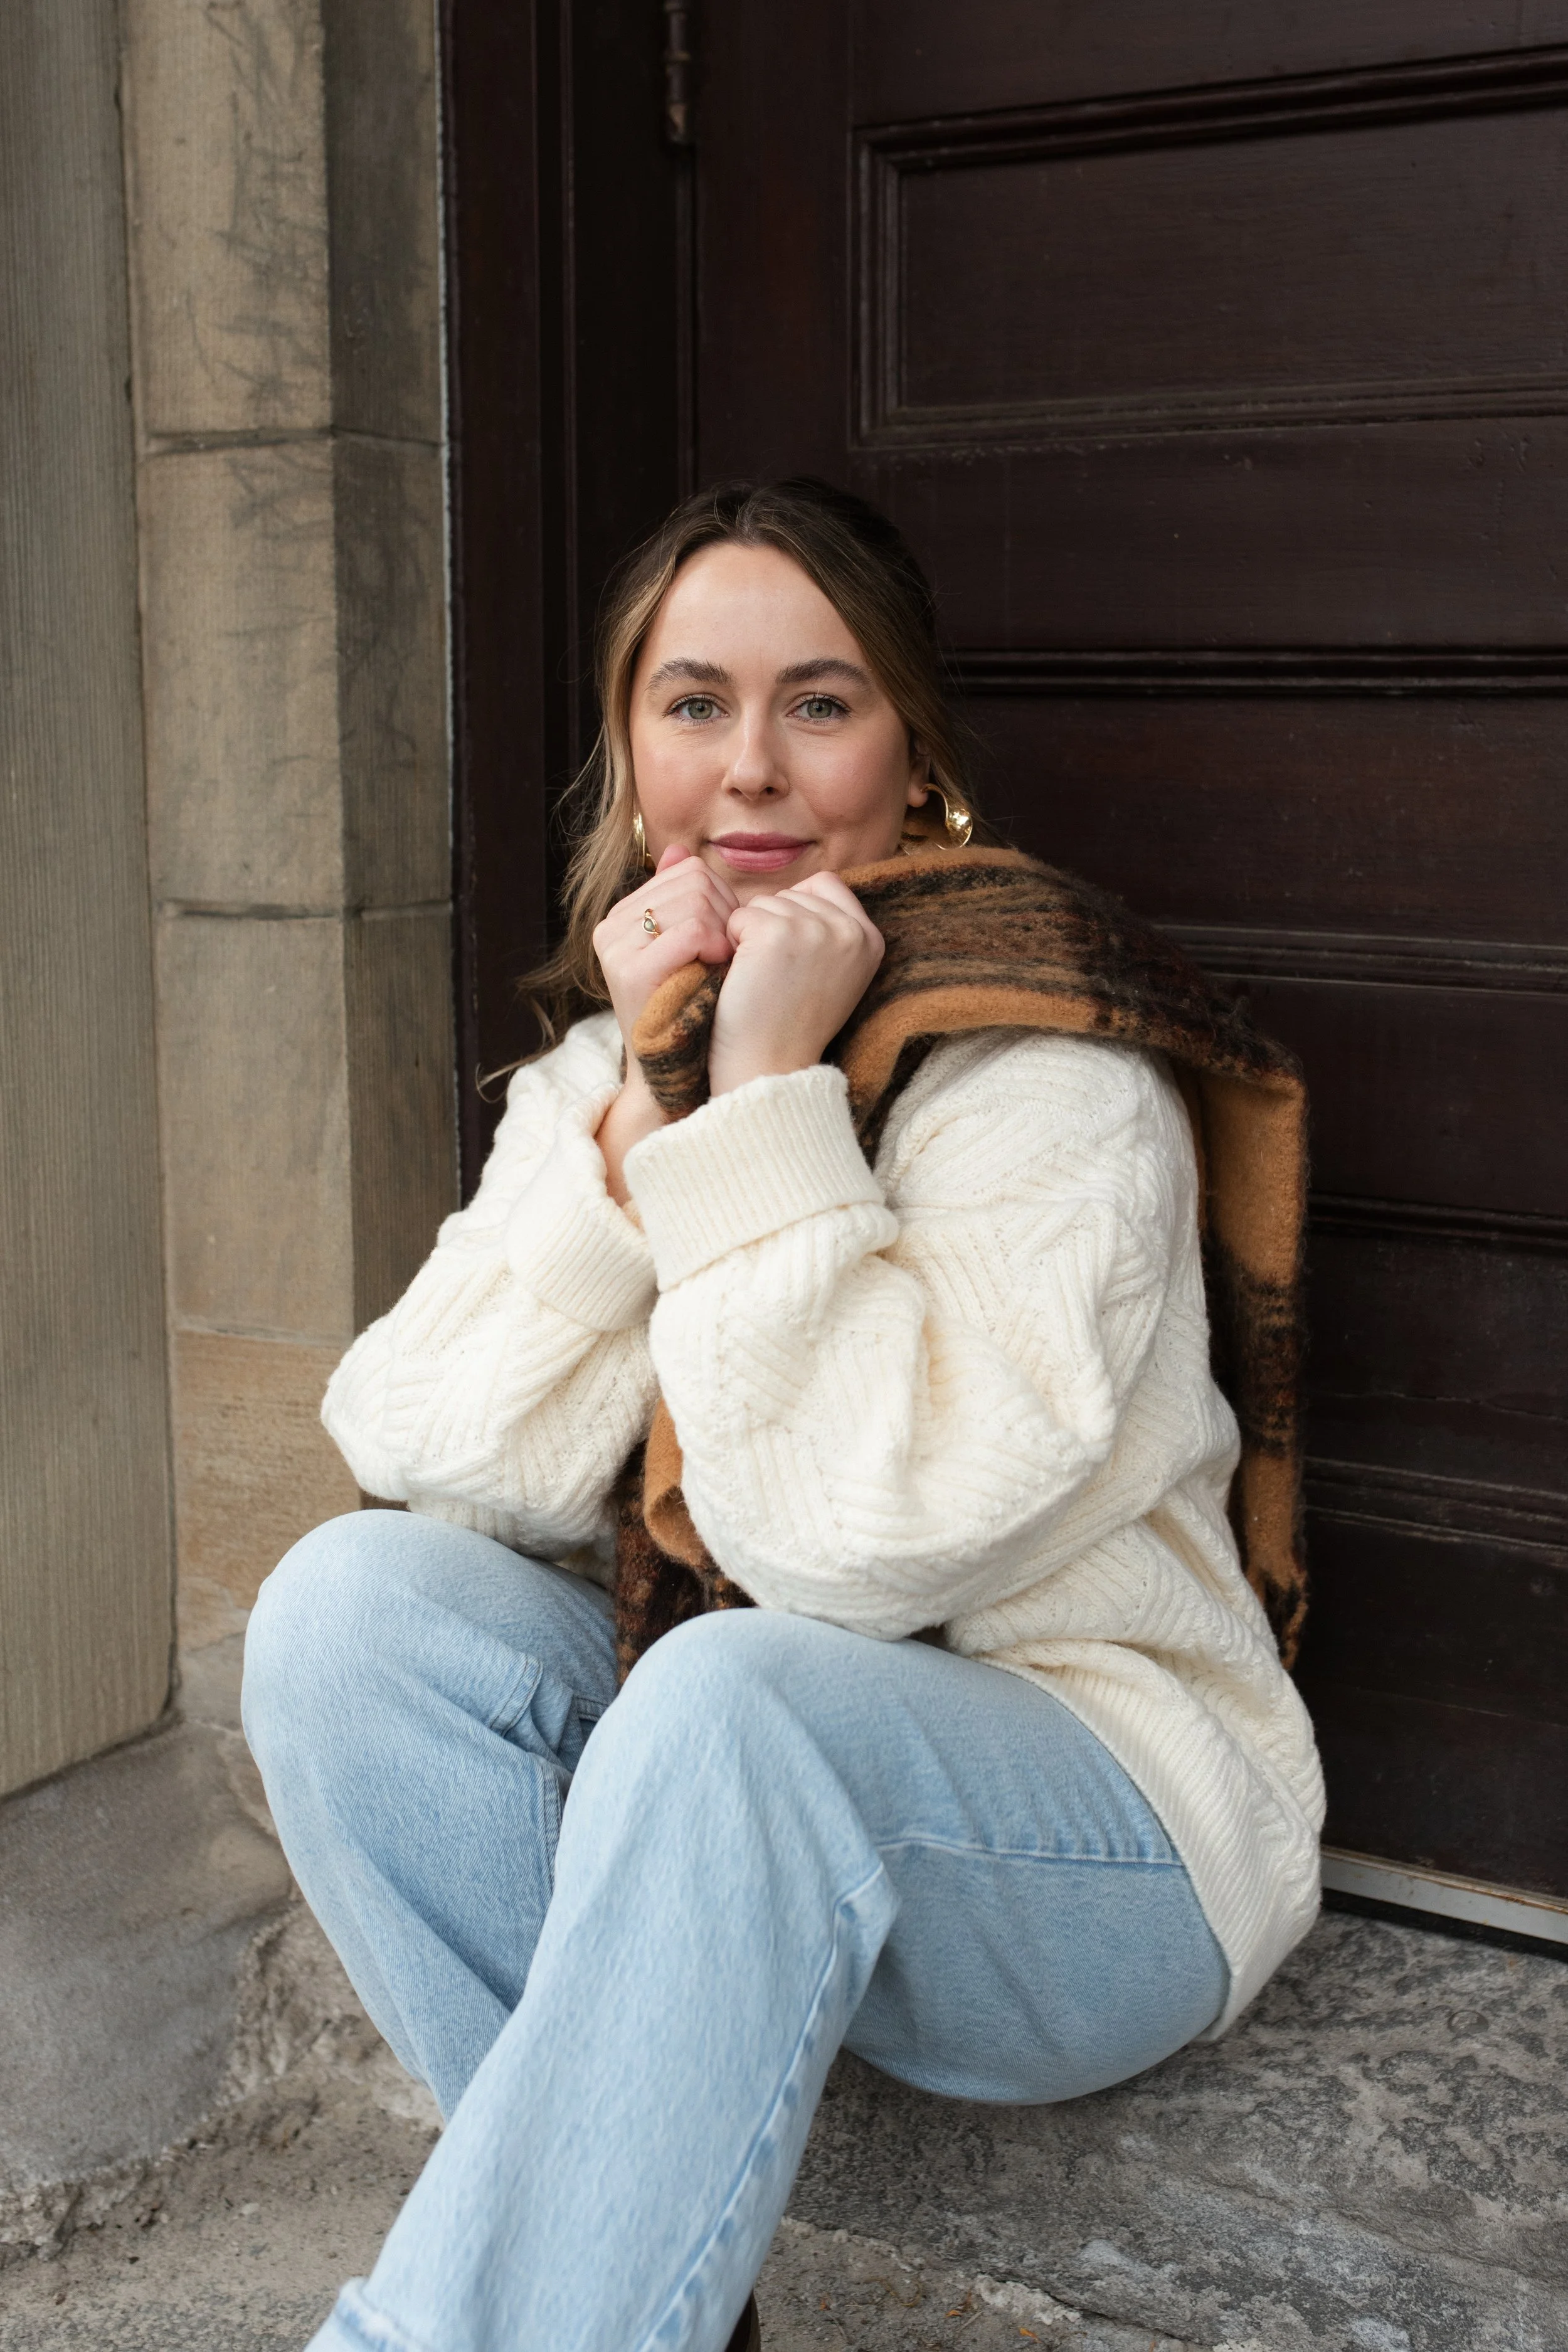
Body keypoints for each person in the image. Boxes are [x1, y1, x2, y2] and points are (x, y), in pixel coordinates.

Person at [242, 478, 1325, 2352]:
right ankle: (612, 2285)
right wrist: (650, 1127)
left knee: (730, 1696)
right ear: (629, 752)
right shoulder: (614, 1058)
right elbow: (421, 1445)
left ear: (917, 765)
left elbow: (848, 1544)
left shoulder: (1043, 1070)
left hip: (1103, 1835)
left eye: (818, 704)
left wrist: (755, 1103)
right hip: (747, 1783)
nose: (749, 768)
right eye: (693, 703)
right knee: (348, 1617)